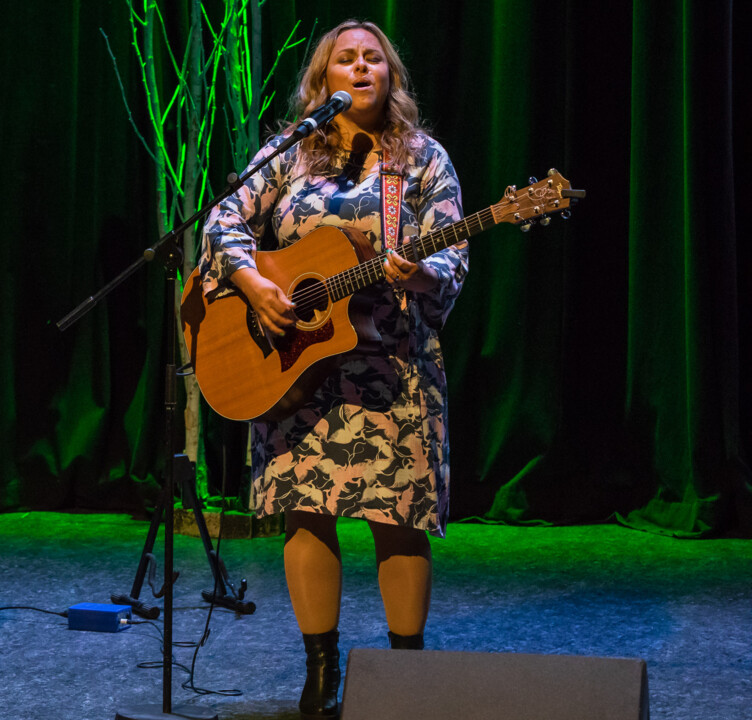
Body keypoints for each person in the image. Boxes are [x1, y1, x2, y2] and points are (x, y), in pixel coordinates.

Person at [199, 19, 468, 720]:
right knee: (306, 510)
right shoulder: (289, 152)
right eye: (345, 59)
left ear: (391, 75)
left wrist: (419, 273)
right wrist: (256, 285)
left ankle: (404, 677)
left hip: (392, 368)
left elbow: (452, 257)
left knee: (398, 517)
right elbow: (221, 222)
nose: (361, 67)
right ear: (322, 81)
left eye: (373, 58)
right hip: (296, 369)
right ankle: (320, 671)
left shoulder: (422, 158)